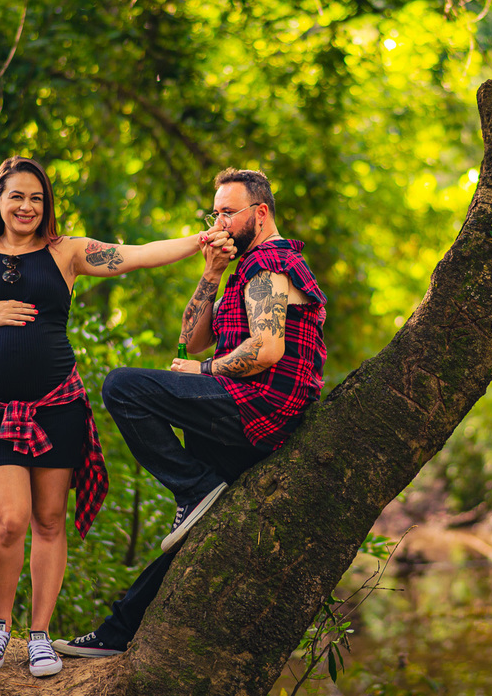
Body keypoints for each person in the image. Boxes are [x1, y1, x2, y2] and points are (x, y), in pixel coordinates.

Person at [0, 156, 232, 678]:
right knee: (10, 520)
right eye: (17, 196)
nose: (27, 206)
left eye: (37, 198)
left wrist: (200, 242)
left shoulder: (65, 251)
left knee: (49, 521)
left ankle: (40, 635)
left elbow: (135, 255)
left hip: (58, 406)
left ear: (46, 205)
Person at [53, 167, 327, 657]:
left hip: (263, 408)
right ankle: (117, 633)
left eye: (228, 212)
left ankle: (194, 487)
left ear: (259, 213)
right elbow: (193, 338)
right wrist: (210, 274)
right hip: (240, 411)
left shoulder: (270, 263)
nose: (218, 223)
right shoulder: (242, 268)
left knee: (123, 387)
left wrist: (202, 373)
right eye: (214, 212)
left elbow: (265, 350)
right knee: (195, 532)